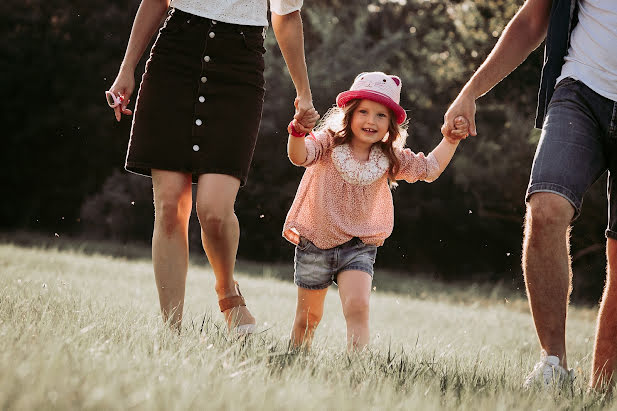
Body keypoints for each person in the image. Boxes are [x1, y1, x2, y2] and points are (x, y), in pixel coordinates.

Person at [105, 0, 320, 333]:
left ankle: (226, 289)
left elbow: (287, 17)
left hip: (239, 65)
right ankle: (171, 331)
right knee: (169, 206)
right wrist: (126, 68)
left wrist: (303, 93)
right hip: (175, 55)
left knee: (214, 211)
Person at [441, 0, 617, 389]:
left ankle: (603, 391)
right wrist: (471, 91)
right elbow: (532, 20)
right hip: (581, 89)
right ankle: (554, 366)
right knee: (546, 206)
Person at [283, 72, 465, 350]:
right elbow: (299, 156)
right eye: (364, 112)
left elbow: (429, 169)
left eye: (381, 115)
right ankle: (295, 359)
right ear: (349, 114)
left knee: (357, 307)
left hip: (359, 246)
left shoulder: (389, 158)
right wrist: (297, 132)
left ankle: (357, 370)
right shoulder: (328, 143)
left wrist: (450, 140)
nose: (371, 121)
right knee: (308, 317)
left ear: (391, 124)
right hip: (315, 243)